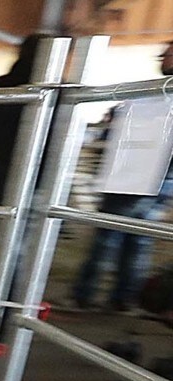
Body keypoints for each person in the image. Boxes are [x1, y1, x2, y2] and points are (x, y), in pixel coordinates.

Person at [71, 40, 173, 311]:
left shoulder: (157, 95)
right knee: (138, 238)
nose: (162, 57)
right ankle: (123, 298)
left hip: (137, 174)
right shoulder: (153, 94)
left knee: (109, 235)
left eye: (168, 53)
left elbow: (118, 129)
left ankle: (85, 294)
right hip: (161, 180)